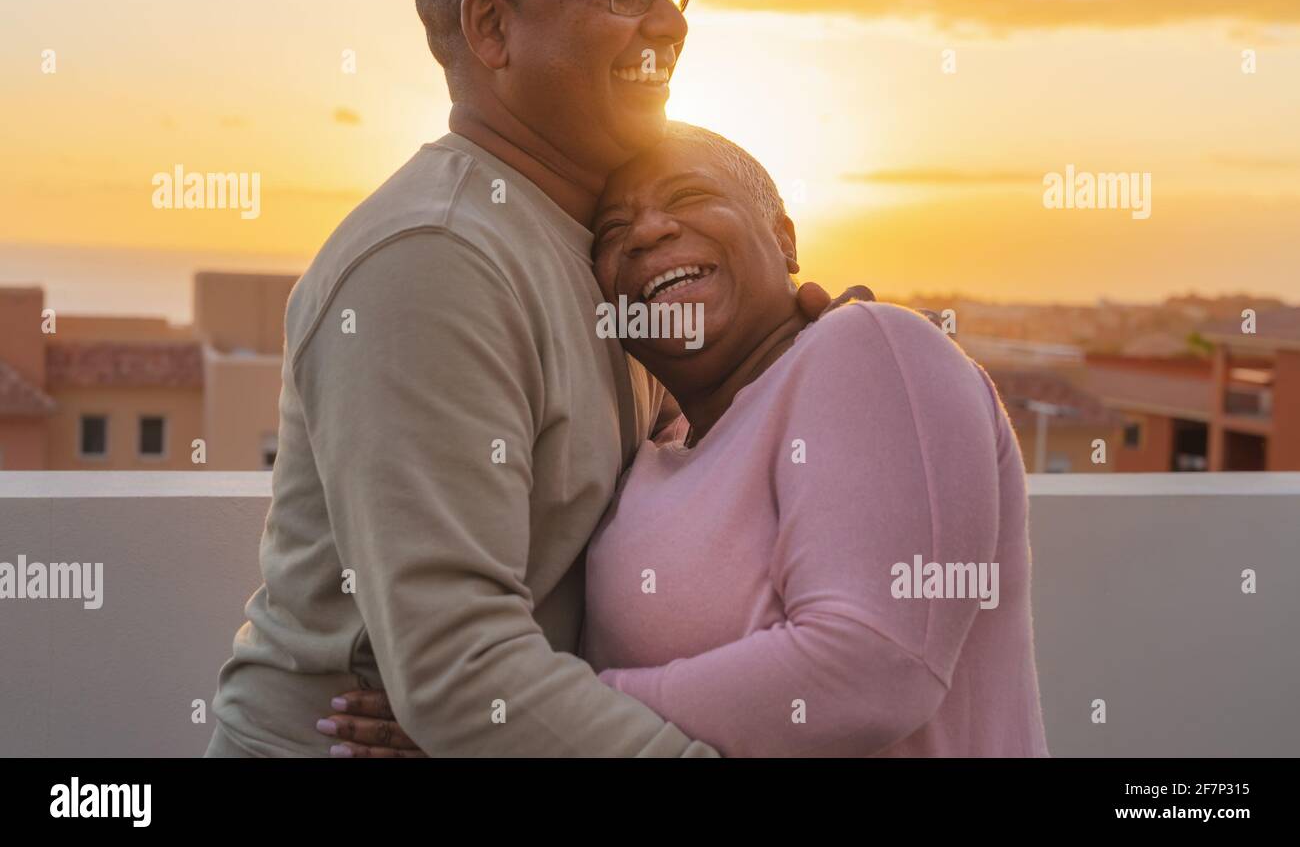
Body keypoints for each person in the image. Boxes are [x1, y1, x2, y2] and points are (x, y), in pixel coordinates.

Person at [205, 0, 859, 757]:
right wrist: (477, 705)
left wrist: (809, 364)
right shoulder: (433, 261)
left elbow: (691, 485)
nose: (669, 21)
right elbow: (460, 670)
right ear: (491, 29)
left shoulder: (607, 249)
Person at [324, 124, 1050, 757]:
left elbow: (872, 669)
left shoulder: (869, 346)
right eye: (612, 233)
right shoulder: (652, 453)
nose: (645, 233)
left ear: (785, 239)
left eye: (689, 199)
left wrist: (513, 730)